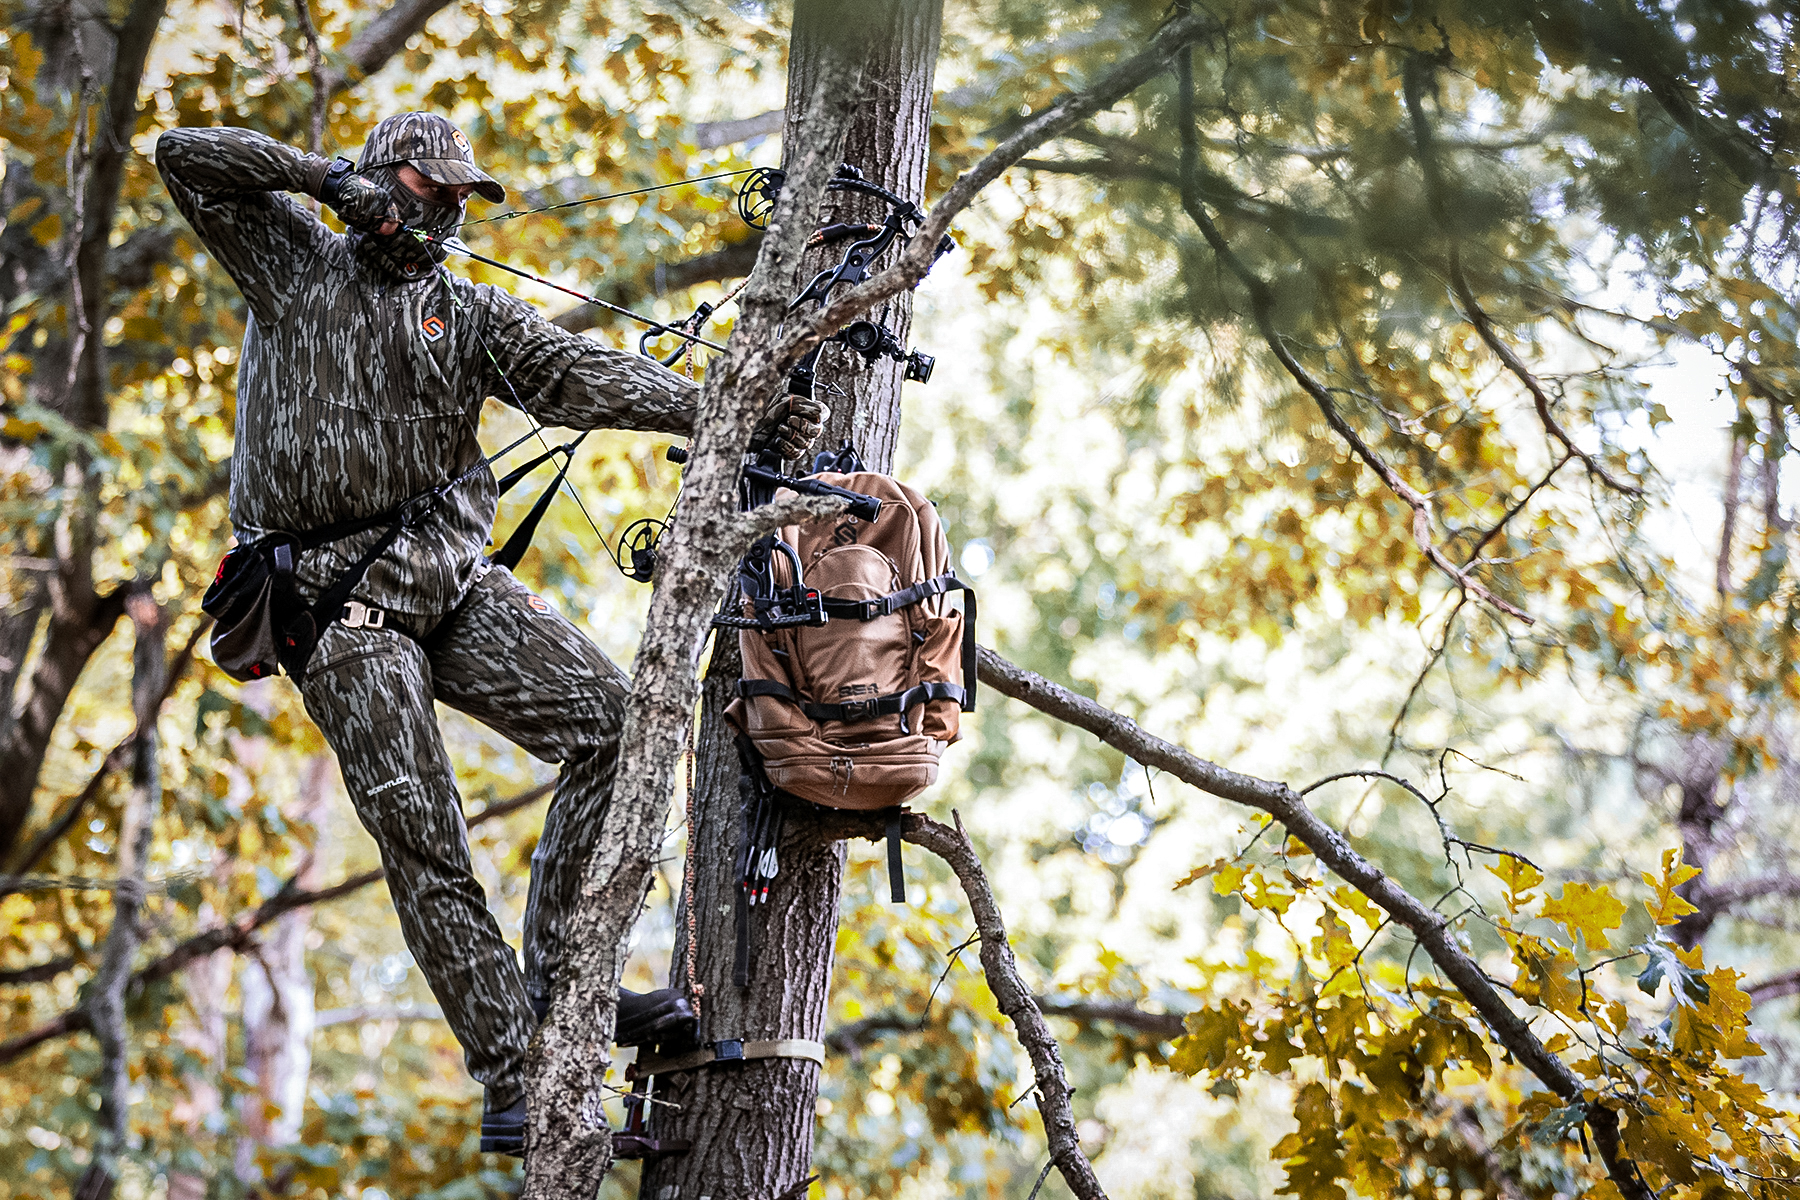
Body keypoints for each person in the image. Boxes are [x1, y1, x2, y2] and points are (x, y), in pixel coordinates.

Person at [155, 112, 823, 1157]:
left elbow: (581, 374)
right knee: (427, 839)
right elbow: (184, 156)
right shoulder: (293, 261)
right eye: (429, 191)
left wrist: (726, 409)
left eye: (461, 199)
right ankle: (516, 1072)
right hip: (339, 611)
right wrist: (331, 182)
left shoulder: (466, 314)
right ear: (382, 182)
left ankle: (571, 1002)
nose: (448, 214)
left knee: (614, 724)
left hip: (449, 584)